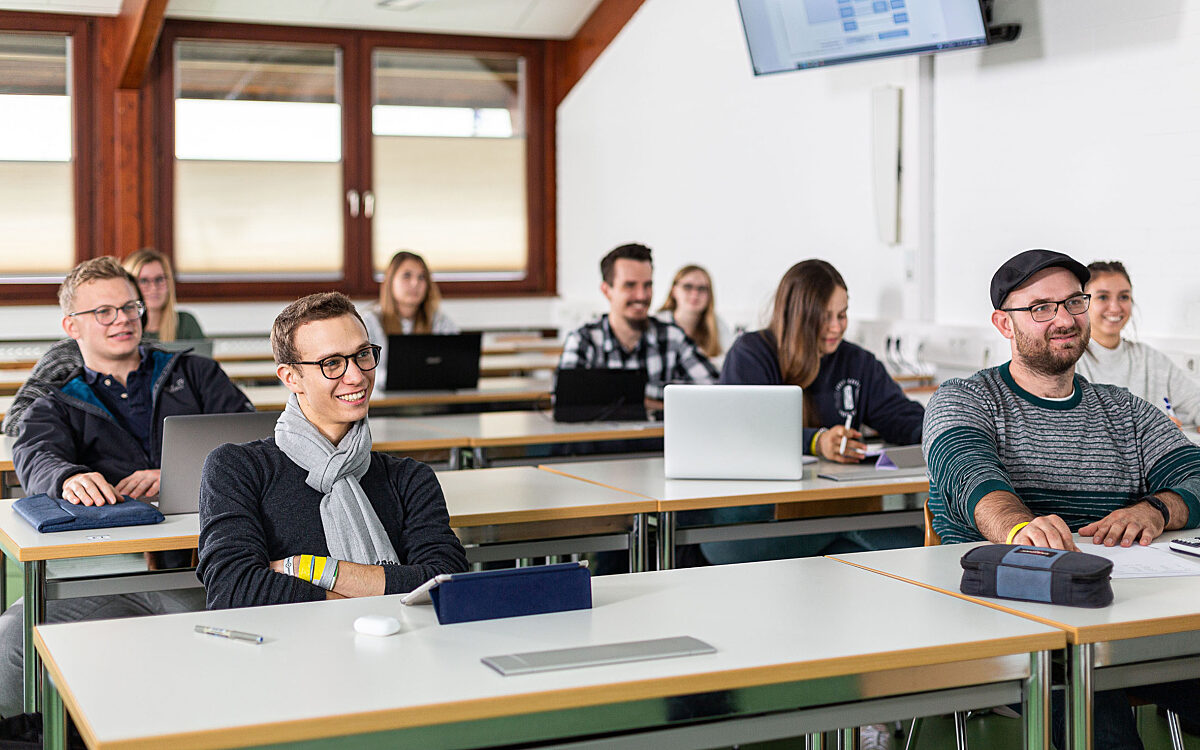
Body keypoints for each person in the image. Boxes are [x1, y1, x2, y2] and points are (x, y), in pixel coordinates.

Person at [923, 248, 1200, 750]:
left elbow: (1194, 473)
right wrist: (1018, 528)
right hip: (1011, 623)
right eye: (1041, 308)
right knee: (1097, 719)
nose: (1065, 319)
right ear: (1004, 324)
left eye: (1074, 302)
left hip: (1124, 617)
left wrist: (1156, 509)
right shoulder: (965, 398)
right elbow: (968, 473)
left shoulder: (1124, 410)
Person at [0, 257, 253, 717]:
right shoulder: (57, 399)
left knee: (235, 654)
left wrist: (175, 474)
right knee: (9, 643)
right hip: (107, 571)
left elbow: (253, 440)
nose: (123, 319)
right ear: (71, 326)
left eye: (130, 307)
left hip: (208, 562)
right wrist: (68, 477)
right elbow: (34, 454)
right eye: (104, 311)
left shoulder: (195, 374)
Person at [197, 292, 468, 609]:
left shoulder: (410, 479)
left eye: (363, 354)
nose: (357, 376)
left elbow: (446, 581)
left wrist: (308, 568)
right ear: (291, 378)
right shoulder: (236, 469)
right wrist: (383, 590)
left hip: (399, 639)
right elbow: (233, 590)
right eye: (332, 363)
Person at [704, 259, 925, 565]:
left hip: (834, 512)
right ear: (797, 316)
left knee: (879, 550)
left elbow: (901, 417)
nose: (836, 327)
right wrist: (816, 441)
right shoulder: (751, 354)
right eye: (824, 317)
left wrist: (946, 429)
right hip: (753, 524)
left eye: (842, 315)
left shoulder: (858, 363)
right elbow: (747, 431)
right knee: (895, 546)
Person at [559, 243, 719, 404]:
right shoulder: (583, 340)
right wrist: (656, 397)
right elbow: (566, 402)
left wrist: (623, 396)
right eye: (630, 285)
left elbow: (715, 392)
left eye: (647, 285)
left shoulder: (672, 337)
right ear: (607, 290)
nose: (641, 296)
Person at [1075, 259, 1200, 428]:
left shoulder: (1151, 359)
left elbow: (1195, 402)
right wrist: (1153, 429)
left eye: (1124, 297)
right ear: (1082, 303)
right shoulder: (1071, 361)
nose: (1115, 308)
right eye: (1103, 297)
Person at [361, 251, 458, 389]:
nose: (415, 283)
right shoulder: (369, 322)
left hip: (431, 395)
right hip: (384, 398)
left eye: (422, 277)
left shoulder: (439, 321)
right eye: (407, 275)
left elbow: (455, 364)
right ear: (390, 281)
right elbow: (365, 372)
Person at [122, 249, 204, 342]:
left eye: (159, 279)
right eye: (144, 281)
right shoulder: (121, 326)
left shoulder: (186, 323)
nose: (154, 288)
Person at [656, 265, 733, 362]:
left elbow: (729, 363)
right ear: (674, 290)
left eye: (702, 288)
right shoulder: (656, 325)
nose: (695, 294)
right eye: (688, 286)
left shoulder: (718, 326)